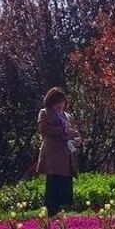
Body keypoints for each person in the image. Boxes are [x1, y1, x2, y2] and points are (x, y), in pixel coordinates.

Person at [37, 87, 80, 216]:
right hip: (53, 154)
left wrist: (76, 138)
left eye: (62, 102)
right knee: (54, 182)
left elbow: (74, 132)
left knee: (65, 183)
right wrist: (63, 131)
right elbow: (44, 129)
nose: (60, 105)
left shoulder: (67, 116)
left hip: (67, 153)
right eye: (57, 102)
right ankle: (51, 211)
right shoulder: (45, 113)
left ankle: (63, 209)